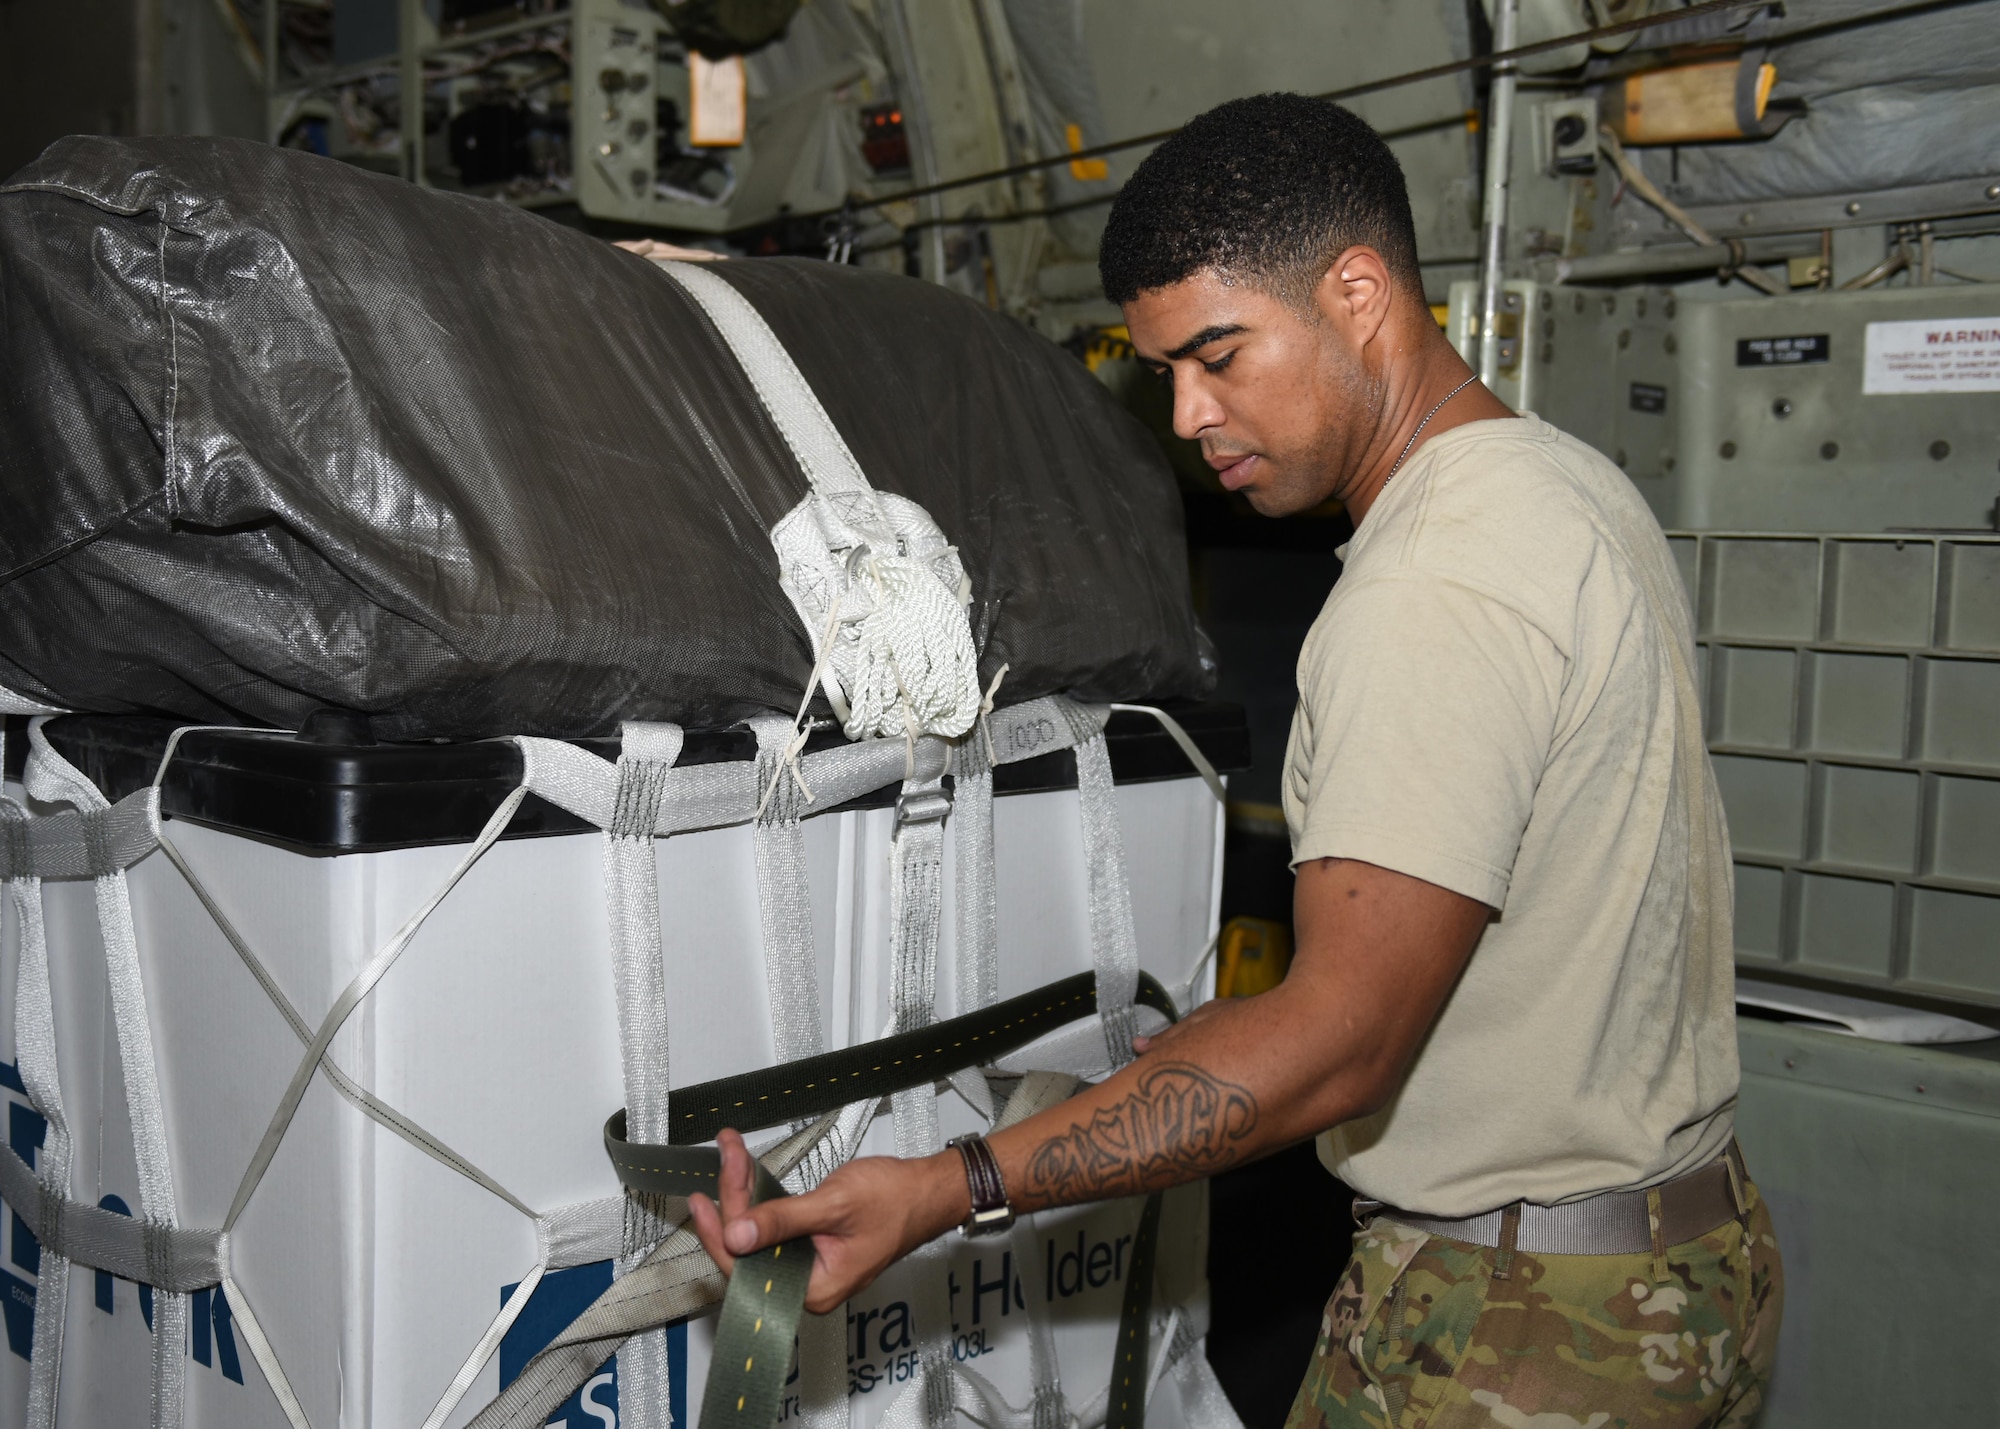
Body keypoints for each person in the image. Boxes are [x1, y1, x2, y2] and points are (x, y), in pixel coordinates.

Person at [688, 92, 1783, 1428]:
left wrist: (948, 1184)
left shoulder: (1433, 580)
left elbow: (1340, 1043)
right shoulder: (1560, 487)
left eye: (1222, 354)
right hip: (1670, 1263)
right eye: (1162, 374)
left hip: (1518, 1326)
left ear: (1359, 292)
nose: (1192, 416)